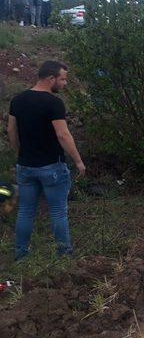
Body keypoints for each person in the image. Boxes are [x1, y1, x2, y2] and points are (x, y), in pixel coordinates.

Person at [7, 60, 86, 260]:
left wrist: (20, 153)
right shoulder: (54, 103)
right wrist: (78, 161)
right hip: (52, 167)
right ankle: (63, 254)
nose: (64, 83)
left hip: (25, 166)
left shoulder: (18, 100)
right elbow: (63, 135)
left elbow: (11, 131)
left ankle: (21, 255)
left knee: (25, 212)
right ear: (51, 78)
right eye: (62, 79)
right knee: (58, 212)